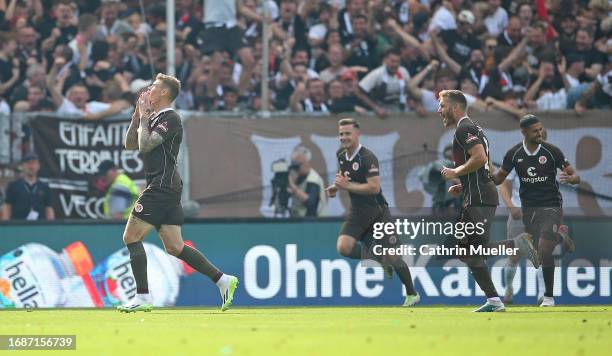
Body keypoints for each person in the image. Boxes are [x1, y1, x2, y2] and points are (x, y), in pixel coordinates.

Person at [118, 73, 238, 313]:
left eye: (153, 86)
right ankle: (223, 280)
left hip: (161, 187)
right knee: (174, 246)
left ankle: (142, 297)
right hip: (168, 187)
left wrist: (144, 120)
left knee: (131, 237)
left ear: (163, 93)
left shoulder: (171, 117)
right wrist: (136, 117)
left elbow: (145, 145)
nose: (148, 90)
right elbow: (130, 144)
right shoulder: (152, 118)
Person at [438, 90, 537, 312]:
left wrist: (456, 171)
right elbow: (486, 167)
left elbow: (480, 158)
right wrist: (464, 183)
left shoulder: (464, 128)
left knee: (467, 250)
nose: (439, 110)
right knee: (470, 251)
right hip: (479, 192)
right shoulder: (475, 129)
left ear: (455, 108)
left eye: (442, 105)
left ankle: (496, 295)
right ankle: (494, 299)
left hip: (479, 197)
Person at [325, 118, 420, 307]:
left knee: (393, 257)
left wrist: (347, 185)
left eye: (347, 133)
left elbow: (374, 188)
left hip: (377, 212)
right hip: (358, 212)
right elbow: (345, 178)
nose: (343, 137)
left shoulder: (367, 157)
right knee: (344, 247)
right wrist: (336, 186)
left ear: (357, 134)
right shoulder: (341, 155)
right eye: (341, 133)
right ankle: (379, 259)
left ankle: (412, 293)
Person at [491, 114, 580, 307]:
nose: (540, 133)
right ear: (524, 132)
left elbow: (574, 175)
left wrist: (573, 178)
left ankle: (546, 296)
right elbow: (499, 181)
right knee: (520, 254)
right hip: (525, 211)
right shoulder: (514, 155)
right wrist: (485, 170)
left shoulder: (552, 152)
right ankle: (509, 289)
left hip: (550, 207)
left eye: (541, 129)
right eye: (535, 131)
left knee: (543, 250)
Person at [2, 153, 54, 221]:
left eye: (34, 163)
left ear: (38, 166)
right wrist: (6, 226)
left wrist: (51, 226)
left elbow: (49, 209)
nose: (31, 167)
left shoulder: (44, 186)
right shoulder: (13, 186)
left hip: (40, 226)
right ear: (23, 166)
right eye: (28, 163)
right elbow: (7, 207)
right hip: (17, 226)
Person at [287, 146, 326, 217]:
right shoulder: (298, 177)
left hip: (315, 221)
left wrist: (293, 187)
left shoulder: (313, 178)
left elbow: (310, 202)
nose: (296, 167)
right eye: (294, 163)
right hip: (300, 220)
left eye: (299, 164)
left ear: (308, 162)